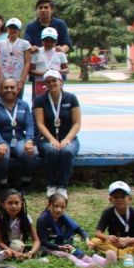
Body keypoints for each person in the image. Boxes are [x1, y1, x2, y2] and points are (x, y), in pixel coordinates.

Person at [37, 193, 116, 268]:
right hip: (48, 249)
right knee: (67, 255)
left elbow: (79, 229)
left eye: (62, 207)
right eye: (56, 206)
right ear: (49, 205)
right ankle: (83, 265)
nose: (59, 210)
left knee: (76, 251)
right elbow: (43, 242)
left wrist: (87, 240)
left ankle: (103, 263)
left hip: (64, 246)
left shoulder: (63, 217)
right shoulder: (42, 219)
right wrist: (59, 247)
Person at [33, 70, 81, 198]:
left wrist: (67, 139)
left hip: (69, 138)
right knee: (52, 151)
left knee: (66, 151)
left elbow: (77, 123)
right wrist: (51, 139)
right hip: (46, 139)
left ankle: (62, 186)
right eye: (48, 81)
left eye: (54, 80)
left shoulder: (71, 98)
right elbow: (40, 124)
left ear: (61, 82)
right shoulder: (40, 100)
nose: (51, 83)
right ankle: (51, 184)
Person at [0, 79, 37, 192]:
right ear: (0, 89)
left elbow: (30, 125)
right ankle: (3, 184)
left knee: (30, 152)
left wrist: (29, 140)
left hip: (18, 138)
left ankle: (25, 182)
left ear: (17, 89)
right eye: (6, 87)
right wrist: (0, 142)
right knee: (2, 154)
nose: (9, 90)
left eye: (12, 87)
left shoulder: (24, 105)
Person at [91, 181, 134, 265]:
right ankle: (128, 256)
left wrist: (128, 240)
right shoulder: (107, 212)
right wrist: (107, 237)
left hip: (132, 244)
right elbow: (98, 233)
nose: (119, 199)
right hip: (114, 244)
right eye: (116, 197)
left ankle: (119, 255)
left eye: (123, 197)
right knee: (94, 241)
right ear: (110, 199)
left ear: (129, 199)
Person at [0, 189, 40, 260]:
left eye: (16, 203)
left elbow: (36, 240)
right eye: (10, 203)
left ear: (22, 203)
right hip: (3, 247)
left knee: (19, 246)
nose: (14, 206)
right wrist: (14, 253)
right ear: (3, 204)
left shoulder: (25, 218)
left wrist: (32, 252)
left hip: (18, 245)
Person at [30, 27, 70, 99]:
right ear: (42, 40)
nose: (49, 43)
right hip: (40, 82)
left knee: (56, 103)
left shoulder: (59, 52)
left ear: (55, 41)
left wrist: (57, 72)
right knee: (40, 104)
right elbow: (30, 71)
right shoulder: (37, 52)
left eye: (52, 41)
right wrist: (43, 73)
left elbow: (67, 70)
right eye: (46, 40)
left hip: (55, 83)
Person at [0, 18, 31, 97]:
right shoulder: (0, 44)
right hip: (4, 79)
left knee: (18, 102)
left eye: (15, 28)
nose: (12, 30)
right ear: (7, 29)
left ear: (19, 30)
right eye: (10, 28)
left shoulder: (25, 44)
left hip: (18, 79)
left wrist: (22, 81)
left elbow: (27, 62)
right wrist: (0, 80)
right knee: (2, 102)